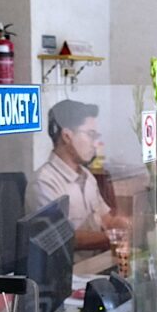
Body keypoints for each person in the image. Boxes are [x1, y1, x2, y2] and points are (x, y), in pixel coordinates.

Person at [32, 99, 129, 252]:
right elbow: (64, 239)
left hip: (97, 262)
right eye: (91, 135)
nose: (95, 144)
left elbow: (106, 220)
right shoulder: (44, 182)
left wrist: (122, 224)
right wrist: (114, 237)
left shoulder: (87, 177)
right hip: (73, 266)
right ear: (67, 136)